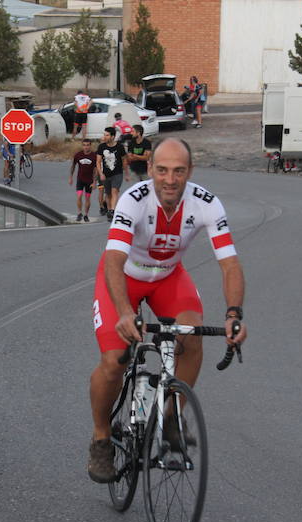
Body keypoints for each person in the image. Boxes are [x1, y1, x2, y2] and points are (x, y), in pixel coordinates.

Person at [86, 138, 247, 483]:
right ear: (151, 170)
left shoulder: (206, 204)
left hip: (168, 278)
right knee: (115, 361)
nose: (170, 180)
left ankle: (172, 418)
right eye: (162, 170)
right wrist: (126, 311)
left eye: (178, 171)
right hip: (123, 278)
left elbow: (230, 264)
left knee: (192, 336)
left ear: (190, 171)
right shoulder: (133, 200)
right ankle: (101, 439)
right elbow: (114, 260)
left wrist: (234, 314)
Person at [96, 127, 128, 222]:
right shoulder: (101, 147)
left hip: (117, 174)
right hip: (105, 175)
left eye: (107, 135)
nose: (104, 137)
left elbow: (124, 160)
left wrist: (126, 173)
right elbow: (98, 162)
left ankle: (113, 210)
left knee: (115, 191)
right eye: (104, 135)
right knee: (108, 194)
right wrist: (101, 173)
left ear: (113, 136)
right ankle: (110, 211)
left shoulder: (119, 147)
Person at [69, 139, 96, 222]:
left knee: (87, 198)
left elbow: (96, 170)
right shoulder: (78, 155)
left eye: (88, 145)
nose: (86, 147)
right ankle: (79, 213)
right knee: (79, 196)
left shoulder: (94, 156)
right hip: (80, 179)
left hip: (89, 181)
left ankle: (86, 215)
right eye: (84, 145)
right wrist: (70, 177)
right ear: (82, 146)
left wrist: (95, 182)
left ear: (90, 146)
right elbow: (73, 166)